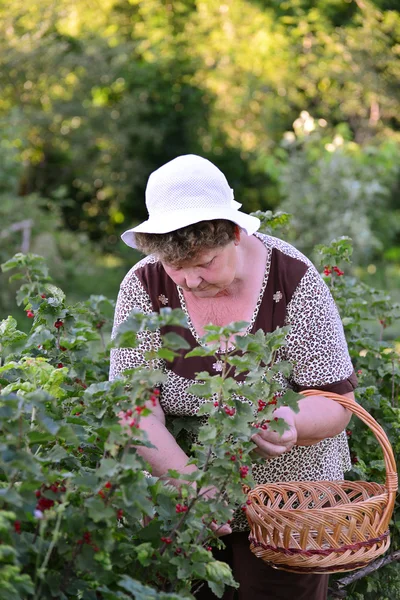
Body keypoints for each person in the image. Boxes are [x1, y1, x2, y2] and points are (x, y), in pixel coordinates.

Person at [109, 154, 357, 600]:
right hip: (192, 496)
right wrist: (190, 484)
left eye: (204, 262)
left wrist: (292, 421)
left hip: (290, 504)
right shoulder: (144, 286)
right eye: (174, 266)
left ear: (236, 234)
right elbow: (133, 407)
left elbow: (336, 401)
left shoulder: (293, 278)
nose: (189, 279)